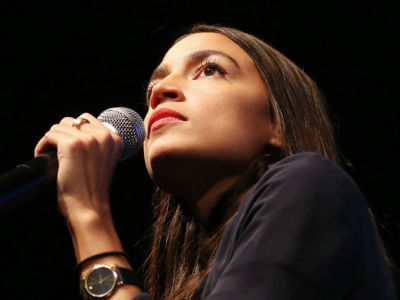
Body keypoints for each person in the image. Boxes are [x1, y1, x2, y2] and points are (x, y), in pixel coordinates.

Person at [34, 24, 398, 299]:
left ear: (278, 123)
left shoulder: (312, 183)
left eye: (210, 70)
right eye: (151, 92)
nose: (160, 93)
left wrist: (89, 214)